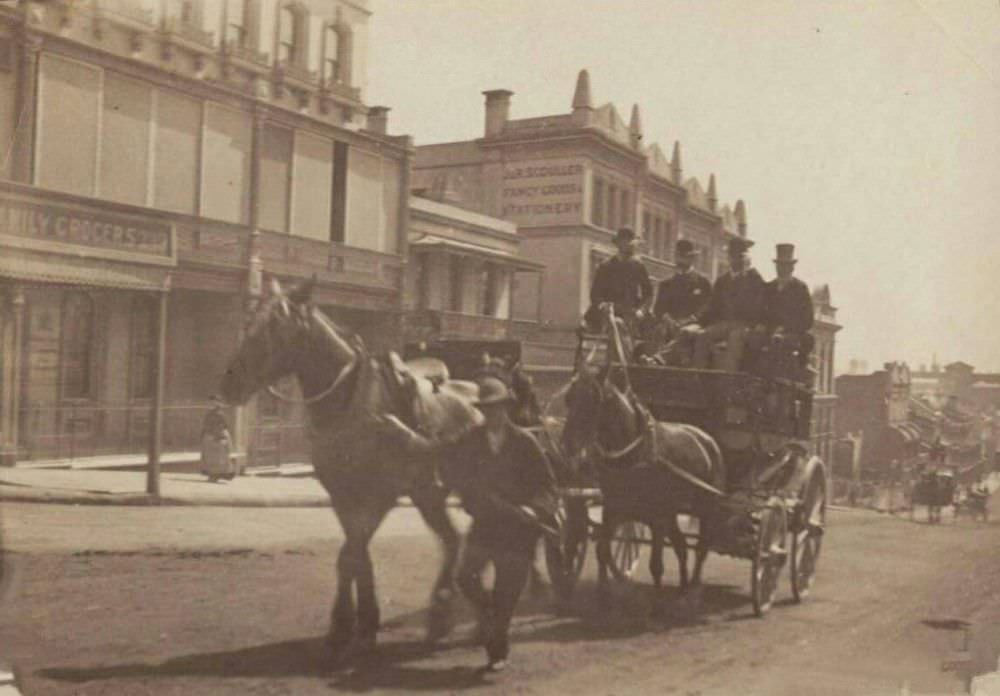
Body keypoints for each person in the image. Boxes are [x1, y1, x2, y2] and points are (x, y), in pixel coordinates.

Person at [381, 377, 558, 672]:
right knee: (465, 578)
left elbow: (548, 486)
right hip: (487, 526)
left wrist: (534, 509)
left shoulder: (525, 442)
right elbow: (436, 449)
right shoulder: (471, 440)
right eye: (487, 410)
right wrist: (403, 434)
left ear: (507, 408)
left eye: (497, 408)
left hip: (518, 532)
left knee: (506, 595)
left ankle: (497, 651)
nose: (492, 415)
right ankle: (487, 612)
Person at [692, 237, 765, 371]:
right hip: (724, 324)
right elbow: (712, 306)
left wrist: (753, 324)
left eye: (741, 257)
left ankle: (728, 378)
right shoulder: (722, 281)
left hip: (744, 325)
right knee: (703, 335)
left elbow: (759, 307)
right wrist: (697, 320)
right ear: (729, 258)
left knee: (735, 338)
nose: (737, 260)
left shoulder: (754, 280)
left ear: (746, 259)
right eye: (733, 256)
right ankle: (697, 373)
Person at [583, 227, 653, 334]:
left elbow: (648, 294)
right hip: (609, 311)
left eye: (633, 243)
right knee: (585, 328)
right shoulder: (606, 266)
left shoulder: (638, 266)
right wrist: (602, 305)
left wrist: (641, 311)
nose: (631, 246)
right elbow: (595, 294)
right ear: (619, 244)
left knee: (652, 332)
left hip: (632, 312)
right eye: (627, 243)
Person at [760, 243, 815, 371]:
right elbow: (762, 312)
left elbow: (807, 319)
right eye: (779, 265)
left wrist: (785, 329)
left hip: (793, 333)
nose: (782, 269)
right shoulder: (769, 288)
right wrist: (762, 325)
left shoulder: (800, 288)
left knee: (781, 343)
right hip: (770, 331)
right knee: (752, 340)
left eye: (785, 266)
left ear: (792, 268)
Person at [654, 239, 712, 337]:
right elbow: (658, 309)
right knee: (658, 332)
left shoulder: (702, 283)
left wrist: (690, 319)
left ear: (692, 259)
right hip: (670, 326)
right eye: (679, 256)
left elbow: (707, 307)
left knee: (686, 334)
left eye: (685, 257)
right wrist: (669, 320)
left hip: (693, 326)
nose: (681, 260)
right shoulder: (666, 284)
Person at [200, 396, 235, 482]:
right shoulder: (209, 414)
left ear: (218, 403)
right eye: (210, 403)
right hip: (209, 436)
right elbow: (205, 425)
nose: (211, 404)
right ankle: (212, 475)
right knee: (209, 457)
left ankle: (216, 475)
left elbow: (224, 426)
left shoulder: (220, 414)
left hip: (218, 436)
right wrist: (203, 434)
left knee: (218, 458)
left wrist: (218, 435)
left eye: (213, 402)